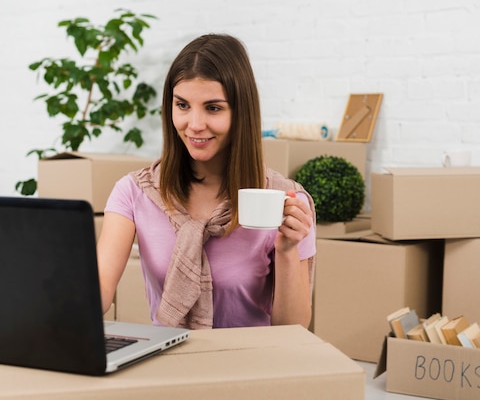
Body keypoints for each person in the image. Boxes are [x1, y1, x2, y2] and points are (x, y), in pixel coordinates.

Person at [96, 34, 316, 330]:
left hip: (250, 366)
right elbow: (99, 290)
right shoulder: (136, 192)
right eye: (183, 105)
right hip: (170, 362)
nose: (195, 124)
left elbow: (293, 330)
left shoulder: (285, 202)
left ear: (241, 113)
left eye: (213, 108)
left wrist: (288, 250)